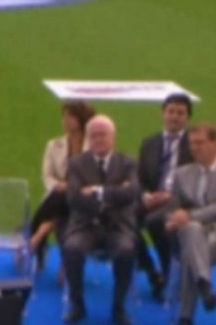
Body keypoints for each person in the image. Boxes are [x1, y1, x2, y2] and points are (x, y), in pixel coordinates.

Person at [163, 123, 216, 325]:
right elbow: (171, 209)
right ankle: (204, 286)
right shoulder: (182, 174)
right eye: (192, 143)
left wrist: (190, 215)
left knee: (190, 251)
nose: (195, 148)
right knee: (192, 232)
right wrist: (172, 220)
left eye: (200, 142)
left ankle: (185, 317)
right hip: (188, 234)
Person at [62, 115, 140, 325]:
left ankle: (118, 307)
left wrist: (97, 191)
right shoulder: (77, 163)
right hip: (85, 226)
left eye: (102, 135)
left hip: (118, 227)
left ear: (113, 137)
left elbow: (132, 193)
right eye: (93, 136)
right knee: (71, 248)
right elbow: (74, 198)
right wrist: (113, 196)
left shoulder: (128, 162)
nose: (98, 140)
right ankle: (77, 305)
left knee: (125, 250)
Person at [138, 93, 195, 300]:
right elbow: (140, 178)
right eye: (171, 111)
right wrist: (145, 195)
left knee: (155, 222)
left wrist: (170, 196)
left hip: (179, 202)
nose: (175, 117)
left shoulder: (194, 144)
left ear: (187, 117)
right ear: (163, 113)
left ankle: (169, 274)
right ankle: (152, 272)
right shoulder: (149, 143)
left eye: (180, 113)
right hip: (152, 199)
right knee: (121, 219)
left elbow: (197, 181)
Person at [32, 100, 97, 272]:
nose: (66, 121)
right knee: (61, 203)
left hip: (82, 197)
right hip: (57, 194)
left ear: (81, 119)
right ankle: (59, 254)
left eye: (71, 117)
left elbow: (94, 177)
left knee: (63, 201)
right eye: (64, 117)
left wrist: (72, 187)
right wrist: (58, 185)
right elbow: (47, 175)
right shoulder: (54, 145)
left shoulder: (93, 146)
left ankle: (41, 232)